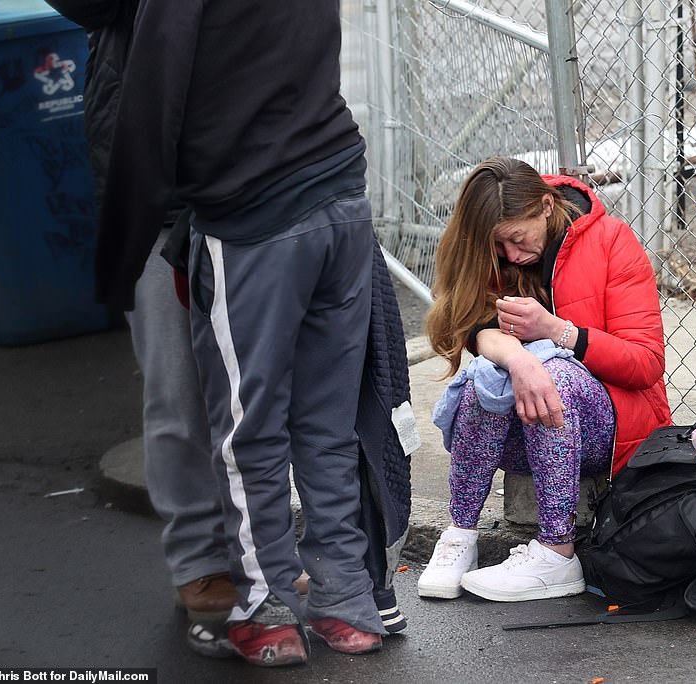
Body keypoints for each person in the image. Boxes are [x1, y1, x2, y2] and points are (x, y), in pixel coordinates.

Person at [49, 0, 413, 669]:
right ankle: (338, 599)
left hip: (248, 213)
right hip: (329, 190)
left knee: (248, 430)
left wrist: (121, 257)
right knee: (316, 420)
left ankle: (263, 607)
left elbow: (152, 104)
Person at [43, 0, 238, 657]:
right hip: (155, 198)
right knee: (177, 389)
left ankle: (257, 552)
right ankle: (200, 560)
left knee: (251, 391)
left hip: (248, 185)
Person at [420, 157, 672, 602]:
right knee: (486, 377)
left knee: (555, 373)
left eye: (518, 239)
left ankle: (557, 552)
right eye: (500, 245)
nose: (512, 255)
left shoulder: (611, 240)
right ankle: (460, 535)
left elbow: (646, 363)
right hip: (524, 428)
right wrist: (521, 361)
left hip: (605, 430)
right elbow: (472, 329)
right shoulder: (497, 252)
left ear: (546, 206)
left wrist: (556, 332)